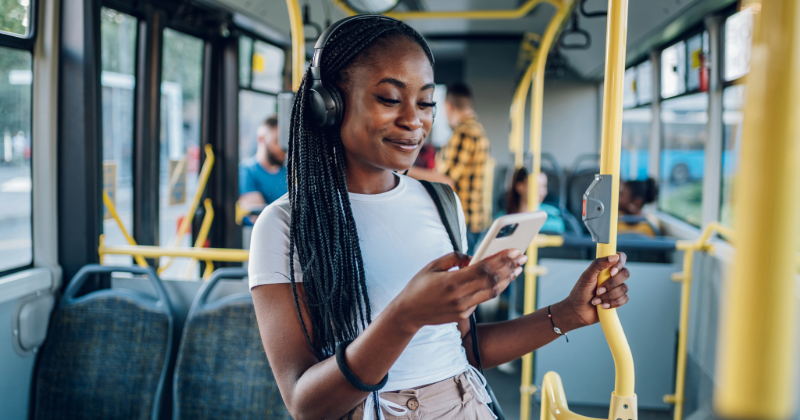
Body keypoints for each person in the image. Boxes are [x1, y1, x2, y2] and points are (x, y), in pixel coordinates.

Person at [249, 16, 632, 420]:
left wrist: (567, 313)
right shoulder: (284, 226)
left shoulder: (441, 201)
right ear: (328, 105)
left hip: (467, 403)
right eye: (390, 99)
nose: (414, 120)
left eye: (427, 102)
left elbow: (462, 348)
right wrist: (406, 316)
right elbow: (305, 404)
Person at [439, 82, 490, 252]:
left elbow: (445, 180)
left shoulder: (463, 133)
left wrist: (407, 172)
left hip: (463, 218)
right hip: (474, 218)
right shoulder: (478, 130)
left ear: (449, 106)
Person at [238, 115, 288, 219]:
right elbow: (259, 218)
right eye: (277, 141)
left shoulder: (288, 173)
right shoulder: (246, 171)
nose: (283, 148)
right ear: (261, 139)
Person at [504, 167, 565, 233]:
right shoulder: (503, 220)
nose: (542, 192)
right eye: (536, 186)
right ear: (520, 187)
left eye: (544, 186)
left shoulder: (554, 215)